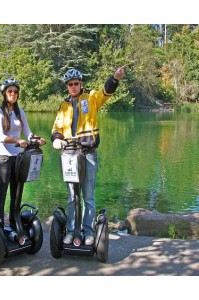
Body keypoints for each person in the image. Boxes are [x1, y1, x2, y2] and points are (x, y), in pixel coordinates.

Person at [51, 65, 127, 245]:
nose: (74, 86)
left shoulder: (91, 99)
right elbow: (57, 128)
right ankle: (71, 231)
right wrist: (56, 139)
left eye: (76, 83)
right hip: (69, 155)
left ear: (81, 83)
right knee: (71, 196)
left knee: (88, 196)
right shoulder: (63, 106)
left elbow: (105, 92)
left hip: (89, 154)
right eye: (70, 84)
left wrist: (115, 78)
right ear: (67, 87)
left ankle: (88, 231)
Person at [0, 78, 46, 228]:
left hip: (18, 158)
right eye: (10, 91)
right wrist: (17, 140)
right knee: (1, 195)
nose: (13, 94)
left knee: (16, 194)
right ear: (4, 93)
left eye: (16, 91)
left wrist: (36, 139)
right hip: (3, 158)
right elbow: (0, 137)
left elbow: (28, 133)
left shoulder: (20, 112)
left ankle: (14, 223)